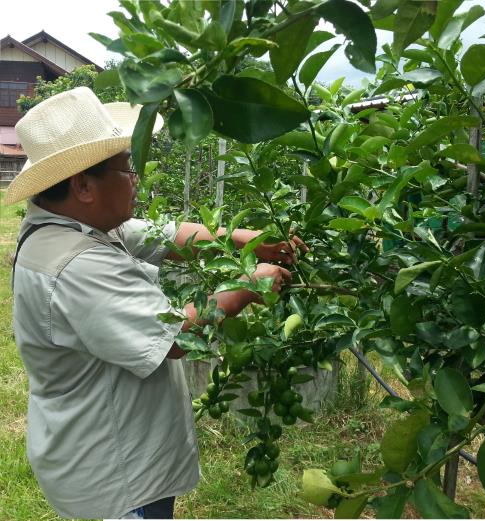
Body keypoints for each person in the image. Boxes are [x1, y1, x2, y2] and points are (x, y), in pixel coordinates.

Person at [5, 87, 305, 519]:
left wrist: (249, 241)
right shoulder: (76, 266)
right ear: (84, 185)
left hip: (108, 451)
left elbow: (166, 234)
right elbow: (177, 336)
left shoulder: (74, 227)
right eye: (127, 168)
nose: (136, 178)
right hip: (114, 473)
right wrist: (251, 286)